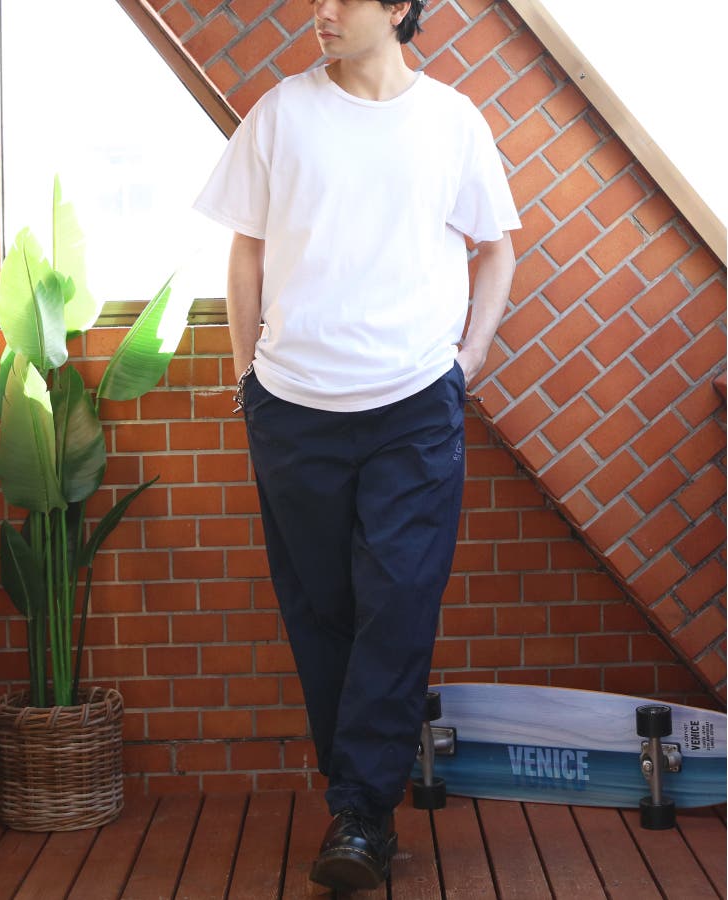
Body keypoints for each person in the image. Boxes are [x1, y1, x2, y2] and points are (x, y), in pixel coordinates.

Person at [194, 0, 520, 891]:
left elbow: (496, 250)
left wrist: (468, 360)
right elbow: (246, 253)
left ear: (399, 7)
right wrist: (246, 379)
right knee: (323, 609)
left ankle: (361, 813)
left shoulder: (452, 121)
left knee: (399, 602)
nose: (323, 11)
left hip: (414, 406)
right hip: (293, 408)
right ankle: (359, 804)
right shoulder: (281, 115)